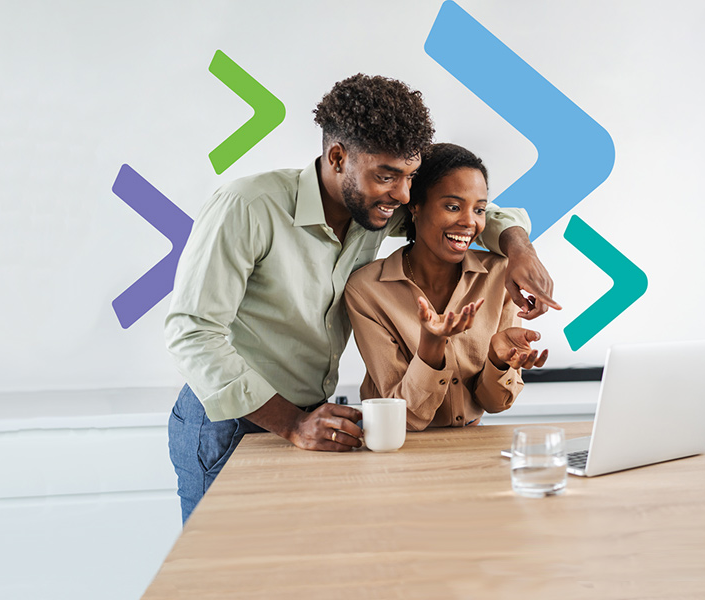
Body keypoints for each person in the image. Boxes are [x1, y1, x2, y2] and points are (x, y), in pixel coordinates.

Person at [164, 74, 561, 523]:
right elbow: (192, 333)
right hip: (228, 425)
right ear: (337, 158)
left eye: (410, 177)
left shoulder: (375, 209)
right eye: (387, 176)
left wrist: (519, 249)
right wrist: (291, 424)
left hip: (312, 416)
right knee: (219, 577)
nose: (404, 194)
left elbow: (460, 210)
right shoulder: (249, 206)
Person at [344, 143, 549, 431]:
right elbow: (402, 415)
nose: (469, 222)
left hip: (471, 446)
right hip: (395, 448)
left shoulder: (499, 275)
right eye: (453, 207)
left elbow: (495, 403)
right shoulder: (366, 290)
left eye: (479, 209)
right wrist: (430, 345)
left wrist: (498, 361)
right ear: (415, 206)